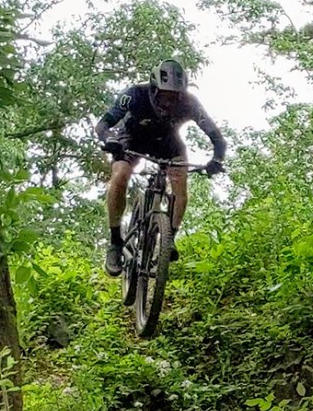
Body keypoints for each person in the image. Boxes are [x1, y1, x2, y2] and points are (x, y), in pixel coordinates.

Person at [95, 59, 226, 276]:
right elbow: (103, 124)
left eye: (174, 98)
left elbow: (216, 137)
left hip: (167, 143)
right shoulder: (135, 95)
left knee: (180, 185)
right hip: (132, 138)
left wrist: (217, 160)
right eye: (164, 96)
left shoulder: (190, 103)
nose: (168, 103)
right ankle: (115, 242)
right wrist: (109, 138)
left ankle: (169, 238)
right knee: (120, 174)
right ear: (154, 90)